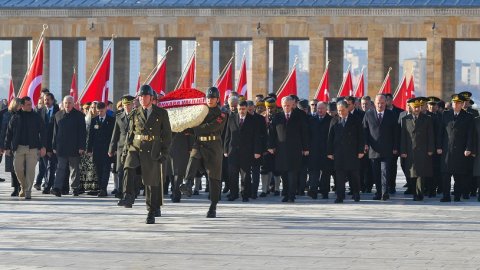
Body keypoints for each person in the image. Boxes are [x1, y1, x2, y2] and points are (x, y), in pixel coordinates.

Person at [122, 85, 172, 224]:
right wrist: (126, 150)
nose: (142, 99)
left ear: (151, 98)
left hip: (152, 149)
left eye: (145, 96)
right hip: (136, 147)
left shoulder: (161, 113)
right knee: (128, 166)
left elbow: (167, 135)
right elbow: (130, 133)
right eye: (141, 96)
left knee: (151, 183)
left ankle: (151, 211)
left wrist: (164, 152)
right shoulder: (134, 113)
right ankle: (128, 195)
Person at [180, 86, 227, 218]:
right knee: (193, 158)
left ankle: (213, 205)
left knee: (213, 177)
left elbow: (212, 126)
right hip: (199, 143)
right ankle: (188, 183)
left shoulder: (222, 114)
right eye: (208, 97)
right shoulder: (200, 111)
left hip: (213, 146)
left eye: (212, 98)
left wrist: (193, 130)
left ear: (217, 99)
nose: (210, 100)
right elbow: (191, 120)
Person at [268, 96, 309, 203]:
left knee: (293, 173)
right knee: (284, 174)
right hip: (281, 150)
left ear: (292, 105)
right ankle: (285, 193)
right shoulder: (277, 116)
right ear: (281, 105)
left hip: (295, 149)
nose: (286, 107)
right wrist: (271, 146)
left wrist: (305, 148)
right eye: (284, 105)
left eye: (288, 105)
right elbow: (272, 133)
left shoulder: (299, 115)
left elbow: (305, 133)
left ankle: (291, 195)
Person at [5, 96, 46, 199]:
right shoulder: (15, 117)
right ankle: (23, 186)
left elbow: (43, 132)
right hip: (18, 148)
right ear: (22, 105)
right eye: (28, 104)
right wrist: (7, 147)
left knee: (30, 171)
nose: (30, 106)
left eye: (30, 104)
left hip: (33, 148)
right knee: (17, 169)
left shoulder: (36, 116)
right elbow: (9, 133)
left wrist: (43, 147)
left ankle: (28, 191)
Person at [437, 94, 475, 202]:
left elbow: (470, 135)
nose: (455, 104)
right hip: (446, 150)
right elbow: (441, 132)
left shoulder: (468, 116)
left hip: (460, 150)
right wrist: (439, 146)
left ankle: (457, 195)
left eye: (458, 103)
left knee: (459, 175)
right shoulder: (445, 114)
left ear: (462, 104)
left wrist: (468, 148)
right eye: (454, 102)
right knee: (445, 175)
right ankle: (446, 196)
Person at [224, 101, 262, 202]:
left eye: (243, 109)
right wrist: (225, 149)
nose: (241, 111)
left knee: (245, 175)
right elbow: (227, 135)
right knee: (232, 174)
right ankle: (233, 194)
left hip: (247, 152)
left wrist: (257, 151)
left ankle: (245, 194)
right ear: (237, 109)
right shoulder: (232, 118)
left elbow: (256, 137)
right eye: (240, 109)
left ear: (247, 109)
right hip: (233, 151)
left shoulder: (253, 120)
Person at [327, 101, 364, 203]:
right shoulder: (334, 120)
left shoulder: (355, 120)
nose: (341, 112)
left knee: (354, 175)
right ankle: (340, 196)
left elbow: (361, 136)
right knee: (339, 176)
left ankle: (356, 194)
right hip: (339, 153)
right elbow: (330, 137)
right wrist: (329, 152)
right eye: (339, 110)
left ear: (347, 108)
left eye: (342, 110)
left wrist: (361, 150)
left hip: (353, 152)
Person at [363, 94, 399, 201]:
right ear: (374, 103)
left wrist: (395, 146)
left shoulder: (391, 114)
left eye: (382, 103)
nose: (380, 105)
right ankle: (378, 192)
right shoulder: (368, 114)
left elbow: (396, 132)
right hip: (373, 150)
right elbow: (364, 130)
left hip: (387, 149)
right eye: (378, 103)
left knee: (385, 172)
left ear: (386, 103)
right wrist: (365, 144)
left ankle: (385, 193)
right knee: (376, 173)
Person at [51, 96, 86, 197]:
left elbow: (82, 132)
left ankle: (75, 188)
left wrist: (81, 147)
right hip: (61, 147)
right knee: (60, 168)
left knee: (74, 169)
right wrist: (54, 146)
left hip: (75, 147)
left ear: (73, 103)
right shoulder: (58, 115)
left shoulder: (79, 115)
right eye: (66, 103)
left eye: (70, 103)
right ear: (63, 103)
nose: (67, 105)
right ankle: (57, 188)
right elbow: (55, 132)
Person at [400, 98, 435, 201]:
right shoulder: (405, 119)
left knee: (421, 173)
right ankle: (414, 191)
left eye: (418, 107)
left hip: (423, 150)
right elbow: (403, 136)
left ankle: (419, 194)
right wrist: (403, 151)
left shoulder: (427, 119)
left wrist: (430, 149)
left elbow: (430, 135)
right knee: (412, 174)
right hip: (410, 151)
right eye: (415, 107)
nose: (417, 109)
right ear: (411, 107)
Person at [109, 95, 134, 202]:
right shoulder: (119, 116)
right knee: (120, 170)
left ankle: (130, 192)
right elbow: (115, 134)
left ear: (132, 105)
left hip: (133, 146)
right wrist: (111, 148)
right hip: (121, 147)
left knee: (131, 171)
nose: (127, 107)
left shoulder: (137, 115)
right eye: (125, 105)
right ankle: (120, 191)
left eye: (128, 105)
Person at [87, 102, 115, 197]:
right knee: (98, 170)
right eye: (98, 111)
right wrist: (89, 149)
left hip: (107, 149)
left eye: (101, 111)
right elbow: (91, 136)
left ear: (106, 109)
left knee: (106, 170)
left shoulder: (111, 120)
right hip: (97, 149)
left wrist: (113, 149)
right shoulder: (94, 120)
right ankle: (100, 187)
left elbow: (113, 136)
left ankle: (103, 189)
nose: (99, 113)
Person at [34, 92, 59, 194]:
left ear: (52, 100)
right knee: (45, 167)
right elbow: (38, 131)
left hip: (54, 145)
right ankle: (48, 185)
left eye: (48, 99)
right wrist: (42, 147)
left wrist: (51, 148)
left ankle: (50, 186)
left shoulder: (58, 112)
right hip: (43, 145)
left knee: (52, 167)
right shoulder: (40, 112)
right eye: (45, 100)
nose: (47, 102)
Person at [307, 101, 332, 199]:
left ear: (326, 109)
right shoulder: (311, 120)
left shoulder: (331, 120)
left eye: (322, 108)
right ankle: (313, 191)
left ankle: (324, 191)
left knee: (326, 172)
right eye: (318, 109)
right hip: (314, 151)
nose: (320, 110)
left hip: (326, 151)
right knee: (313, 172)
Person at [0, 98, 22, 196]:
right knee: (12, 168)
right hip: (10, 144)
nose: (20, 106)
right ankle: (16, 187)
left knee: (21, 167)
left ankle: (22, 186)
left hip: (22, 144)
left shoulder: (23, 114)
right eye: (18, 104)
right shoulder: (6, 115)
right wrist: (3, 145)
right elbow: (3, 131)